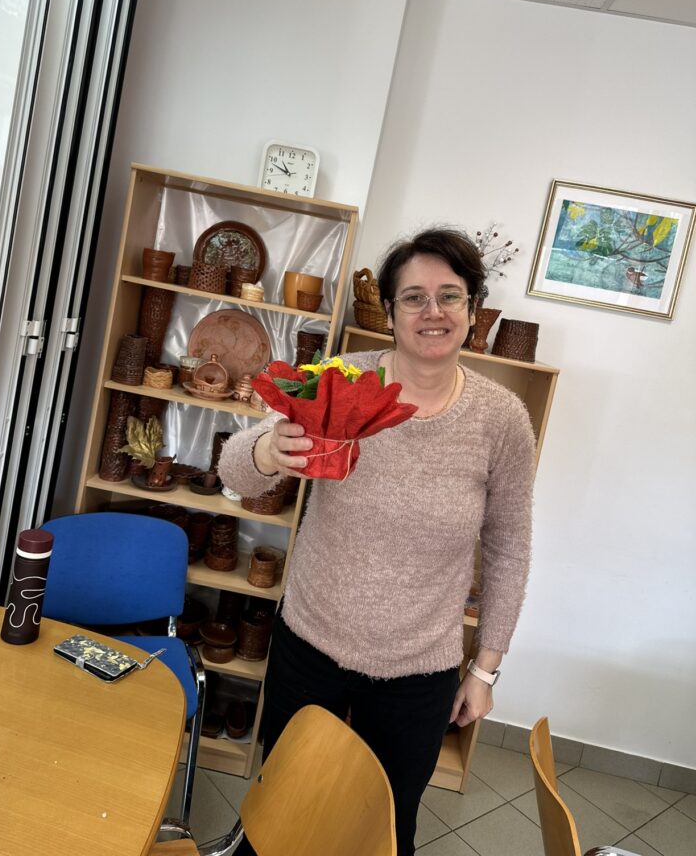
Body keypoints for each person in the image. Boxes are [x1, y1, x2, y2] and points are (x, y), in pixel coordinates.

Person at [218, 227, 535, 856]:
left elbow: (510, 548)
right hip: (311, 645)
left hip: (419, 671)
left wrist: (484, 669)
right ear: (388, 312)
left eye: (450, 295)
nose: (433, 311)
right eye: (413, 297)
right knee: (284, 817)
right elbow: (235, 472)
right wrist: (268, 449)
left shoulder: (501, 420)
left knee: (384, 831)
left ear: (473, 310)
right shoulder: (339, 379)